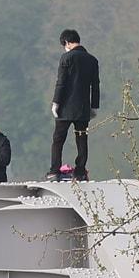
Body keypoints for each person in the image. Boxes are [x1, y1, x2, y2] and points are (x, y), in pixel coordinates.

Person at [48, 28, 100, 181]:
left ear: (67, 42)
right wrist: (94, 106)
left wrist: (56, 102)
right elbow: (95, 85)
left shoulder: (66, 58)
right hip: (83, 109)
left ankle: (54, 170)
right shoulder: (92, 60)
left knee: (58, 140)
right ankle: (80, 171)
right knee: (81, 138)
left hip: (65, 108)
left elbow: (61, 83)